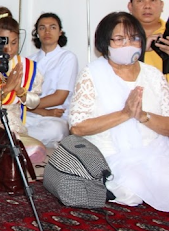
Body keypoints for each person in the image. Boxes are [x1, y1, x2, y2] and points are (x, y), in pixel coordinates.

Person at [69, 12, 169, 212]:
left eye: (134, 38)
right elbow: (78, 128)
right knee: (132, 190)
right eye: (120, 39)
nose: (128, 44)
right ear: (105, 42)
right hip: (111, 152)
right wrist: (125, 114)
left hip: (155, 149)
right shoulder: (92, 74)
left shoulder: (153, 75)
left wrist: (143, 116)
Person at [0, 8, 47, 164]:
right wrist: (5, 89)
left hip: (12, 125)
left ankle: (1, 155)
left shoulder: (27, 66)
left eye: (14, 42)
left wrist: (19, 90)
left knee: (37, 149)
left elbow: (34, 103)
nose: (10, 49)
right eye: (5, 43)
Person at [27, 13, 78, 147]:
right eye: (42, 28)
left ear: (60, 32)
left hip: (55, 118)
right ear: (37, 33)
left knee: (53, 131)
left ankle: (20, 141)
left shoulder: (67, 57)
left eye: (53, 27)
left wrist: (28, 105)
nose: (47, 31)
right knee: (6, 125)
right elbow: (20, 97)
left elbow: (59, 97)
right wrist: (40, 111)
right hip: (29, 115)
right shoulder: (28, 61)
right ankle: (24, 142)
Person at [127, 0, 169, 82]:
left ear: (162, 5)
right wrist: (139, 51)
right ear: (130, 6)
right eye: (140, 1)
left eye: (153, 0)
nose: (147, 6)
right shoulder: (118, 36)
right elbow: (108, 70)